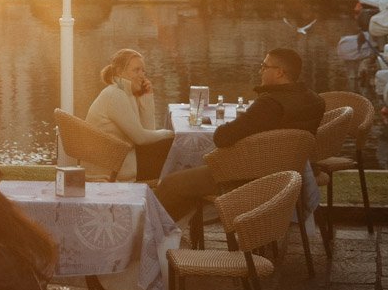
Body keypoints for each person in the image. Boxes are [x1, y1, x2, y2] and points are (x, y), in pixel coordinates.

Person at [152, 46, 324, 222]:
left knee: (171, 184)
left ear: (280, 72)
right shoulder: (315, 100)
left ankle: (150, 236)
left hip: (249, 176)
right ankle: (170, 234)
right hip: (290, 175)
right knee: (187, 189)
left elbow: (222, 137)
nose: (260, 71)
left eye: (265, 67)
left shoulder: (269, 104)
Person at [85, 48, 174, 181]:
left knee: (169, 149)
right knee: (171, 145)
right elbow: (141, 138)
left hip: (120, 162)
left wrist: (146, 98)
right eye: (136, 70)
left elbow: (147, 132)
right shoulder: (115, 95)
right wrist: (171, 133)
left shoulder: (126, 93)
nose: (142, 75)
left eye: (143, 70)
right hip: (111, 169)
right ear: (120, 72)